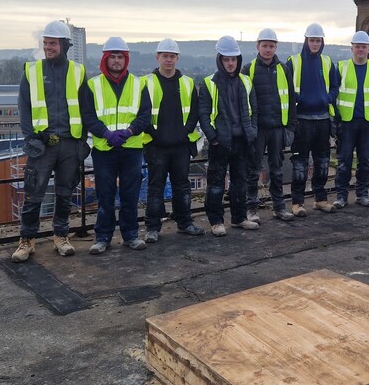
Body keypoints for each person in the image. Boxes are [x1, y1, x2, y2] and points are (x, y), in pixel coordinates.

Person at [12, 20, 89, 262]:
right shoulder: (32, 70)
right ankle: (27, 240)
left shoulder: (78, 71)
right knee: (34, 193)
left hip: (69, 142)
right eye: (45, 43)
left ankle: (61, 236)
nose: (48, 47)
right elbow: (24, 107)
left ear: (64, 45)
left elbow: (86, 107)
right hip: (42, 145)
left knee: (65, 192)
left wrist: (83, 140)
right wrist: (31, 137)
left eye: (53, 43)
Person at [83, 37, 152, 253]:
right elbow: (87, 116)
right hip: (104, 149)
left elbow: (145, 116)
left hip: (131, 148)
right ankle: (103, 237)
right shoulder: (93, 85)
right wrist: (105, 133)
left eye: (120, 57)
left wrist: (129, 131)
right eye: (112, 56)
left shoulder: (138, 84)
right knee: (105, 195)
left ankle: (130, 235)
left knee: (130, 195)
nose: (116, 61)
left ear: (126, 59)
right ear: (105, 58)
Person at [141, 38, 204, 243]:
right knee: (155, 187)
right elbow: (141, 114)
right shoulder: (145, 82)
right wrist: (156, 134)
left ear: (177, 58)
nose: (168, 60)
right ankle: (152, 227)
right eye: (165, 56)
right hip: (155, 144)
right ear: (157, 57)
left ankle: (184, 223)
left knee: (182, 186)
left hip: (180, 145)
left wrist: (184, 133)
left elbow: (194, 113)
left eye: (172, 56)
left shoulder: (187, 83)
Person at [199, 36, 258, 236]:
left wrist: (252, 131)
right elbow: (204, 114)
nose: (231, 63)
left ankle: (239, 218)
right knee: (215, 184)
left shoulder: (246, 81)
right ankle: (216, 222)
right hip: (220, 142)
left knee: (240, 182)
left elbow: (254, 111)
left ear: (238, 59)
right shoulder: (209, 83)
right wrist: (213, 138)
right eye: (226, 59)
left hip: (242, 140)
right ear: (220, 60)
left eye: (233, 59)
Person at [332, 31, 369, 209]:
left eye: (363, 47)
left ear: (368, 49)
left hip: (368, 123)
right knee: (344, 161)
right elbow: (333, 93)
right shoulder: (341, 67)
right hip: (347, 123)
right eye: (357, 46)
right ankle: (341, 196)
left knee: (365, 161)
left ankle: (362, 194)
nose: (360, 50)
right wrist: (337, 117)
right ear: (352, 48)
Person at [244, 29, 297, 223]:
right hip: (257, 130)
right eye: (264, 45)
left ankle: (279, 207)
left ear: (276, 47)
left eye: (271, 46)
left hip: (277, 128)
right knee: (253, 169)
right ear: (258, 46)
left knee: (276, 169)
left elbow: (291, 100)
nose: (268, 49)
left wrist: (290, 127)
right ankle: (251, 208)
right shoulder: (248, 69)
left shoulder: (284, 69)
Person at [287, 22, 340, 216]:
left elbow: (335, 86)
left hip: (323, 119)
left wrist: (327, 98)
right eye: (312, 40)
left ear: (322, 42)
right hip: (302, 120)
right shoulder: (293, 62)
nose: (315, 44)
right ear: (306, 41)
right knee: (300, 164)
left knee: (323, 162)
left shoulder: (327, 62)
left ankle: (320, 199)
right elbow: (287, 89)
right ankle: (297, 203)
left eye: (318, 41)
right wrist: (300, 100)